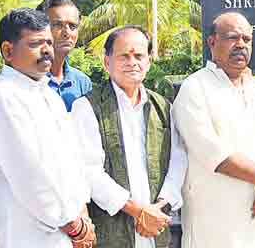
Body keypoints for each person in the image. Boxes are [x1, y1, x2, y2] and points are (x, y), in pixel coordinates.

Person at [172, 11, 255, 248]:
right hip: (218, 223)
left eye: (246, 40)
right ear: (212, 42)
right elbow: (211, 152)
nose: (241, 45)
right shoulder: (195, 88)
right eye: (232, 38)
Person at [0, 9, 94, 248]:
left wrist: (82, 214)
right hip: (28, 234)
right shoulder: (3, 98)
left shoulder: (48, 94)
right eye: (35, 44)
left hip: (68, 231)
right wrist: (74, 226)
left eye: (49, 42)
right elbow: (29, 175)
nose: (47, 50)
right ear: (8, 51)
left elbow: (72, 160)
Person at [72, 25, 187, 248]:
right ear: (107, 62)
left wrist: (159, 207)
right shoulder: (87, 107)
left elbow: (178, 161)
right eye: (124, 56)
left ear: (149, 61)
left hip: (156, 227)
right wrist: (137, 211)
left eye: (139, 56)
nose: (132, 62)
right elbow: (89, 171)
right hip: (112, 229)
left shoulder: (162, 107)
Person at [37, 0, 93, 109]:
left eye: (72, 26)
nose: (67, 33)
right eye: (58, 25)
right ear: (38, 29)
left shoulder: (82, 83)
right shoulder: (28, 81)